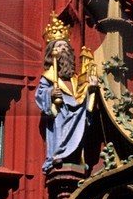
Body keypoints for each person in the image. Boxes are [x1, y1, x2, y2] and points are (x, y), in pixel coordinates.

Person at [35, 15, 98, 170]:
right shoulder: (49, 77)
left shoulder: (76, 79)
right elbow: (40, 93)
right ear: (51, 54)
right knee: (60, 127)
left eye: (65, 46)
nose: (63, 49)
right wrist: (50, 94)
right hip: (60, 115)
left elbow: (82, 97)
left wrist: (91, 89)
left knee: (81, 114)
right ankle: (59, 154)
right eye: (59, 47)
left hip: (77, 113)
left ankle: (76, 156)